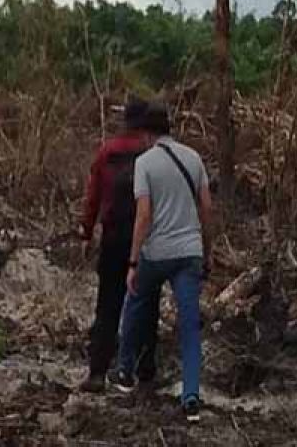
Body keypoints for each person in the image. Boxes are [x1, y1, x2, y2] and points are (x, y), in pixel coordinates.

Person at [110, 101, 213, 423]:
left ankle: (125, 371)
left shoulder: (145, 163)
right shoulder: (193, 158)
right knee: (189, 325)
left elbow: (144, 215)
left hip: (157, 254)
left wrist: (132, 262)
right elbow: (206, 210)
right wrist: (206, 251)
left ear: (145, 133)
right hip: (189, 253)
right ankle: (191, 394)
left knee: (135, 304)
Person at [78, 99, 161, 393]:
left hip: (113, 239)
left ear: (126, 120)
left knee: (107, 305)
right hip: (146, 241)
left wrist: (86, 232)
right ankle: (145, 370)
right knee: (146, 304)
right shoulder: (152, 154)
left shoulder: (107, 152)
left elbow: (93, 196)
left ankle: (98, 371)